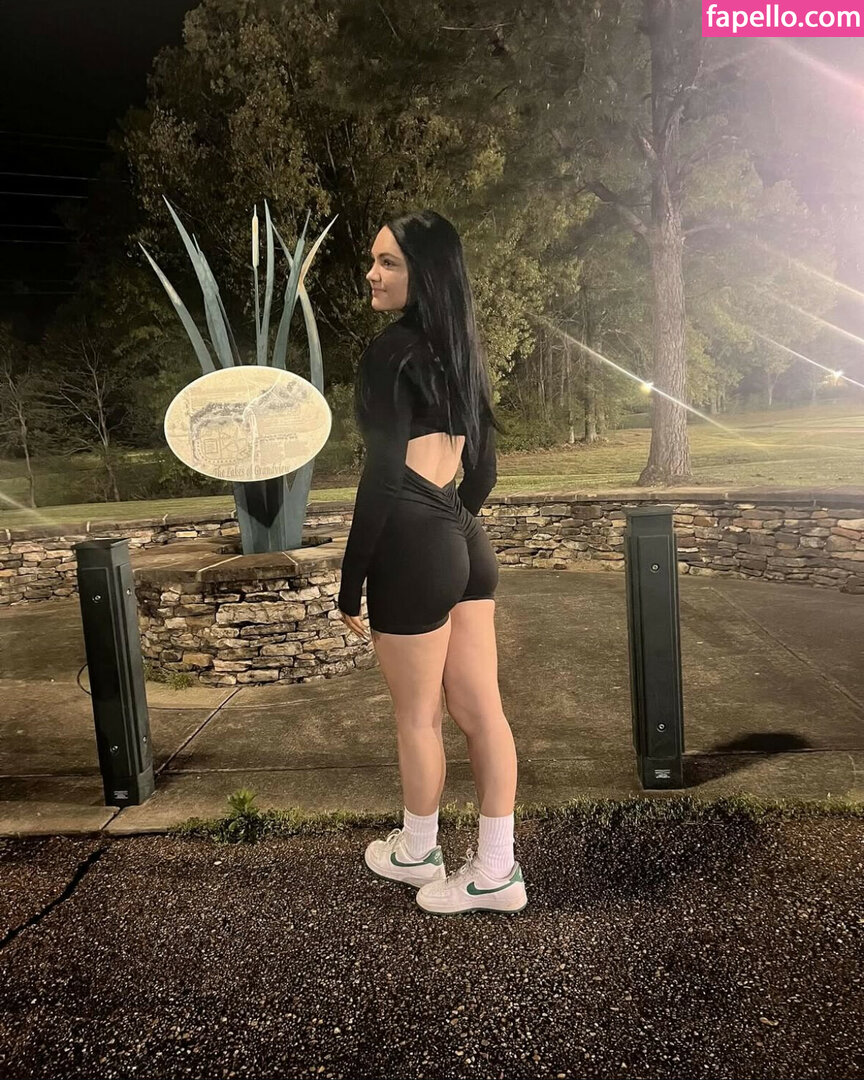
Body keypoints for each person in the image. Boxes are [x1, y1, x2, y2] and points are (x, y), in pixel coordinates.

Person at [337, 209, 527, 915]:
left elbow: (384, 474)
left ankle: (417, 852)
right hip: (462, 535)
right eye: (373, 260)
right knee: (483, 713)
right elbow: (486, 469)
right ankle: (497, 870)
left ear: (425, 273)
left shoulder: (389, 352)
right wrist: (455, 526)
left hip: (414, 538)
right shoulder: (462, 351)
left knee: (418, 717)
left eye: (388, 262)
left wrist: (351, 583)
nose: (372, 274)